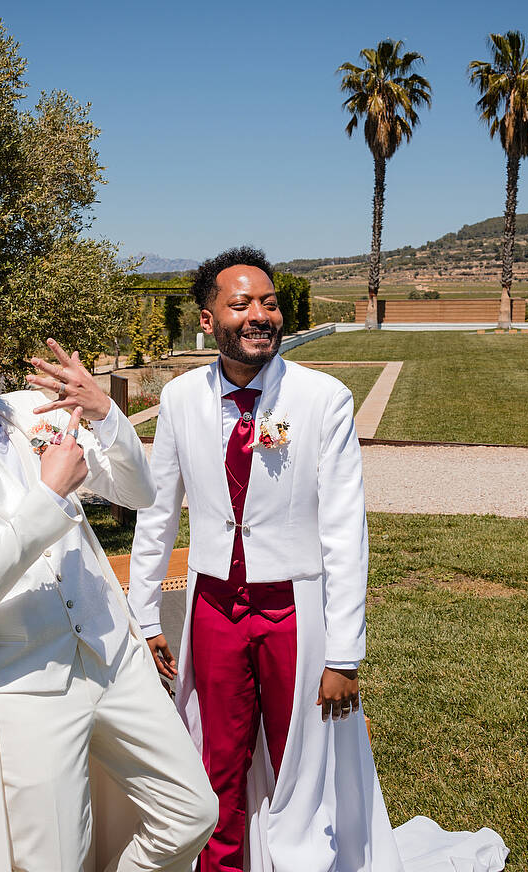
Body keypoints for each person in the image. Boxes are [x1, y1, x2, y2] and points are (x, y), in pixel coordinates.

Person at [0, 285, 216, 872]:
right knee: (56, 858)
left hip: (112, 656)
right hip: (25, 688)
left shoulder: (30, 411)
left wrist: (105, 415)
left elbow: (138, 491)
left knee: (192, 813)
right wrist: (49, 494)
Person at [128, 247, 404, 871]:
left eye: (270, 303)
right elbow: (157, 514)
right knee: (215, 761)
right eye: (242, 303)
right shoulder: (178, 401)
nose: (260, 315)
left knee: (301, 761)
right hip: (214, 607)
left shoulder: (323, 399)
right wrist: (145, 616)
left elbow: (343, 529)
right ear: (207, 320)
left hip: (294, 609)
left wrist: (344, 653)